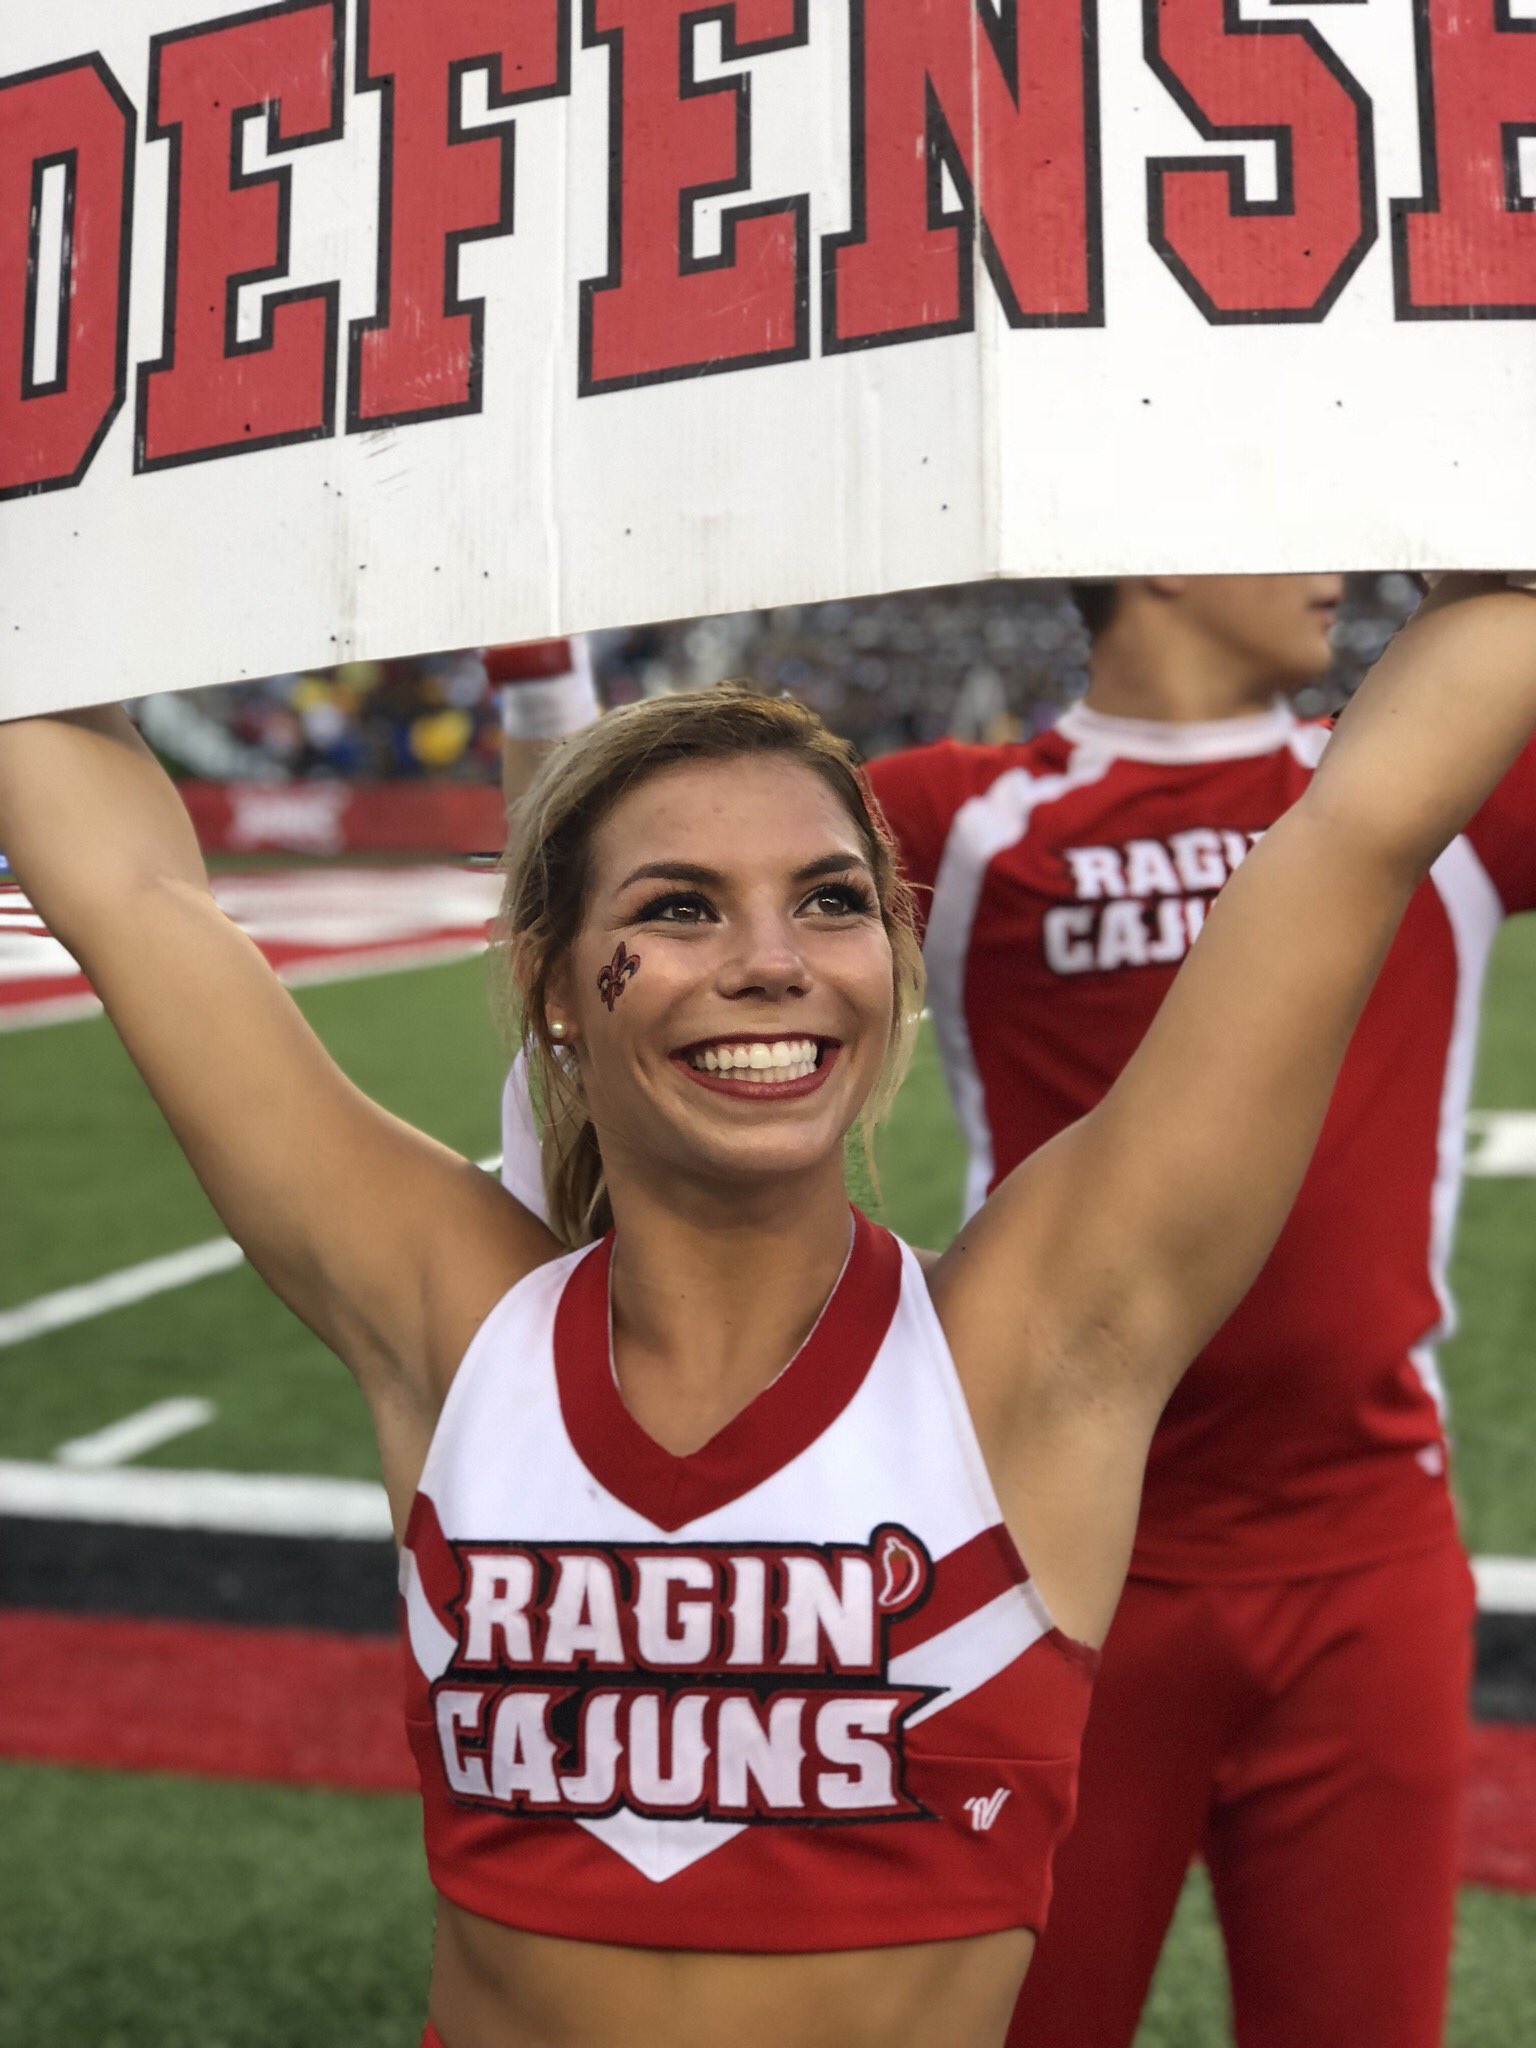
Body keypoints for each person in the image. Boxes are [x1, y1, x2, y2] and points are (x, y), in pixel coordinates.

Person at [3, 576, 1533, 2048]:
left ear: (891, 956)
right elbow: (132, 897)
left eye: (831, 900)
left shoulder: (1038, 1349)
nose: (771, 964)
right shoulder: (456, 1322)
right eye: (681, 907)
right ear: (550, 982)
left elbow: (1356, 830)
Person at [861, 574, 1536, 2048]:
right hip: (1049, 1571)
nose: (1342, 570)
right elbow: (624, 875)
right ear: (1155, 537)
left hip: (1364, 1557)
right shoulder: (958, 814)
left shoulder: (1444, 782)